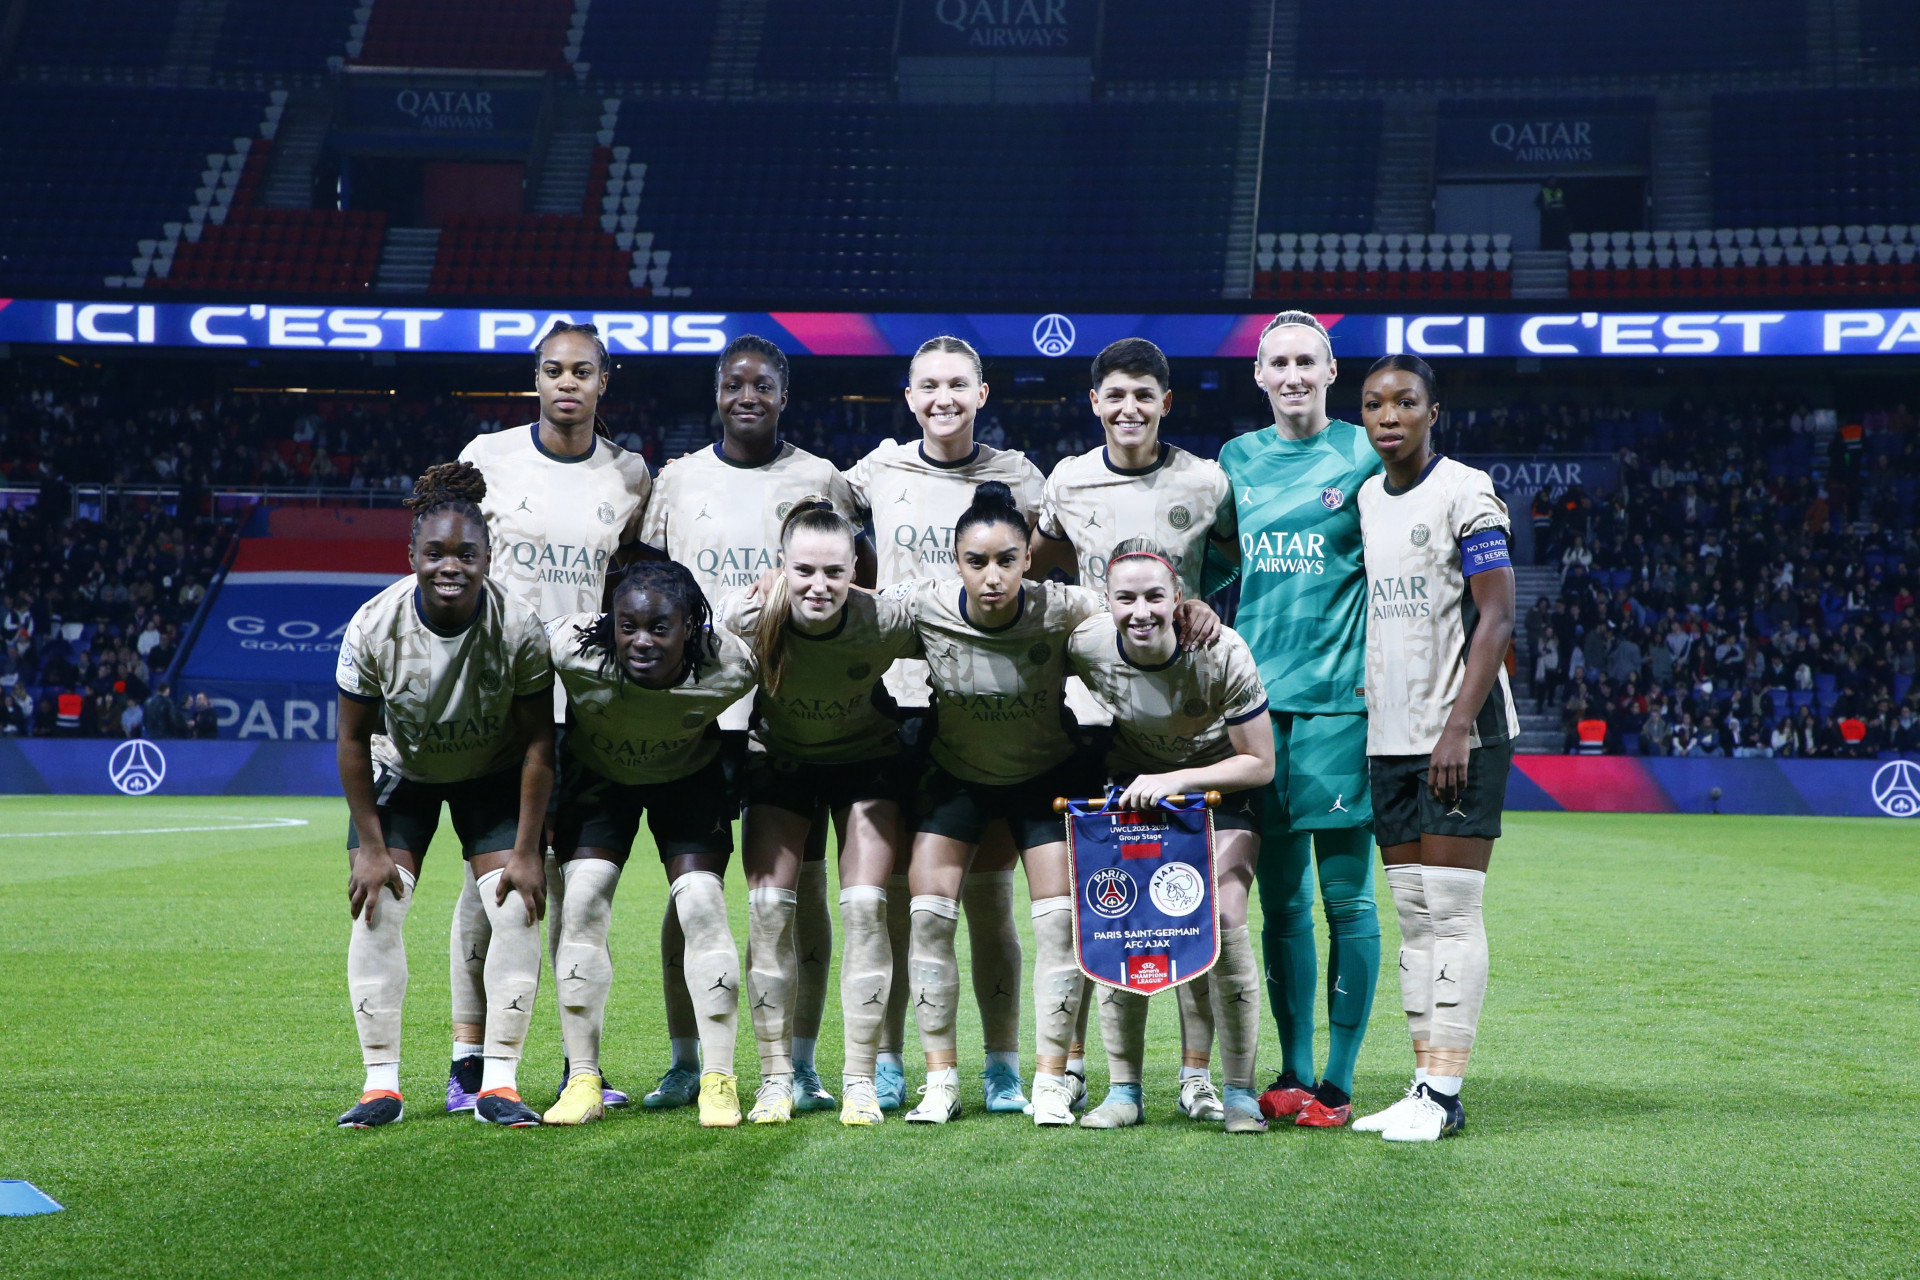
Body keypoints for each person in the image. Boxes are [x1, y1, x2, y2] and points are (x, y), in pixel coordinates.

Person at [892, 482, 1219, 1126]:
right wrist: (775, 591)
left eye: (1007, 560)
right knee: (929, 917)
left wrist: (1194, 606)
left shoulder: (1064, 607)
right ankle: (940, 1081)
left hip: (1045, 781)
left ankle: (1049, 1081)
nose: (993, 576)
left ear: (1027, 560)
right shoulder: (922, 606)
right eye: (977, 561)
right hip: (956, 778)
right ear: (955, 561)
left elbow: (1140, 607)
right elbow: (848, 615)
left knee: (1058, 925)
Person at [637, 335, 865, 1115]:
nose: (747, 395)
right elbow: (648, 583)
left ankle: (798, 1061)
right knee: (689, 892)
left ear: (783, 393)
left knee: (797, 894)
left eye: (761, 384)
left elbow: (851, 573)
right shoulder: (678, 480)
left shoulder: (820, 480)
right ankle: (684, 1057)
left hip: (786, 715)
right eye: (733, 383)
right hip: (698, 710)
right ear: (716, 391)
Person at [1027, 337, 1240, 1122]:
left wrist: (1210, 603)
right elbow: (1041, 559)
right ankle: (1080, 1069)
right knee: (1100, 902)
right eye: (1116, 395)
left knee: (1185, 903)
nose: (1129, 410)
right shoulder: (1068, 480)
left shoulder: (1205, 481)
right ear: (1095, 402)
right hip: (1095, 717)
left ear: (1166, 404)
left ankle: (1194, 1076)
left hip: (1185, 724)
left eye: (1144, 396)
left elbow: (1228, 563)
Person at [842, 336, 1047, 1114]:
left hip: (986, 704)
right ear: (908, 395)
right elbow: (817, 527)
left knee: (991, 899)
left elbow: (1048, 566)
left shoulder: (1019, 476)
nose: (943, 399)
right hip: (896, 704)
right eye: (928, 385)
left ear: (983, 393)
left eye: (957, 384)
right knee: (900, 899)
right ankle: (890, 1056)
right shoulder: (878, 471)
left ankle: (1000, 1064)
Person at [453, 320, 653, 1114]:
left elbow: (637, 576)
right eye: (552, 370)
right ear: (534, 379)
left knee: (579, 893)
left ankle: (582, 1071)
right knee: (490, 889)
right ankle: (470, 1066)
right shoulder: (486, 459)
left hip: (589, 707)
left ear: (605, 383)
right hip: (500, 705)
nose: (566, 384)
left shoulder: (631, 475)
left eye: (583, 372)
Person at [334, 463, 556, 1129]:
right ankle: (381, 1087)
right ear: (412, 557)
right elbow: (350, 742)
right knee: (378, 902)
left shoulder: (519, 628)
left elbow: (541, 742)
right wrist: (371, 849)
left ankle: (500, 1085)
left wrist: (527, 850)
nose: (450, 566)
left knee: (515, 907)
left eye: (466, 553)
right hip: (402, 772)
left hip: (490, 770)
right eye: (435, 553)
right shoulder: (374, 626)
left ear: (489, 557)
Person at [1215, 311, 1383, 1128]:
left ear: (1329, 371)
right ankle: (1293, 1071)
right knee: (1280, 906)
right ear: (1258, 375)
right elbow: (1208, 561)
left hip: (1342, 709)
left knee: (1346, 901)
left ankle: (1341, 1084)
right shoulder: (1237, 460)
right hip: (1255, 715)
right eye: (1276, 362)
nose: (1290, 375)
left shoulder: (1362, 451)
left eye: (1304, 362)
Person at [1351, 354, 1518, 1142]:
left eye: (1405, 402)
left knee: (1450, 911)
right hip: (1390, 733)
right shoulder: (1365, 499)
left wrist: (1458, 723)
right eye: (1375, 404)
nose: (1389, 416)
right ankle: (1423, 1083)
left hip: (1459, 733)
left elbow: (1498, 616)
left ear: (1432, 411)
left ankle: (1446, 1095)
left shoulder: (1465, 491)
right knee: (1414, 913)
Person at [718, 500, 921, 1126]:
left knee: (865, 910)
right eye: (803, 570)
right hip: (779, 762)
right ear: (780, 567)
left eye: (835, 571)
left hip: (865, 763)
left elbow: (961, 620)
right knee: (770, 913)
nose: (819, 585)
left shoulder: (882, 619)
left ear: (856, 570)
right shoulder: (753, 615)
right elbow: (722, 617)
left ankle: (860, 1079)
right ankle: (776, 1079)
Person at [1066, 539, 1273, 1133]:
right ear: (1106, 603)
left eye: (1155, 596)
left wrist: (1174, 777)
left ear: (1178, 599)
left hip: (1218, 790)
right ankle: (1124, 1092)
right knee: (1122, 924)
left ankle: (1234, 1093)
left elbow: (1260, 763)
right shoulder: (1086, 644)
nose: (1141, 611)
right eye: (1125, 598)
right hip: (1134, 795)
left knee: (1225, 924)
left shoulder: (1222, 650)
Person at [542, 560, 759, 1128]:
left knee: (701, 904)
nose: (642, 641)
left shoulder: (731, 664)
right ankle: (583, 1080)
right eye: (628, 625)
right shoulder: (571, 649)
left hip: (689, 778)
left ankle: (718, 1079)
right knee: (583, 901)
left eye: (660, 627)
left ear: (689, 627)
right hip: (596, 779)